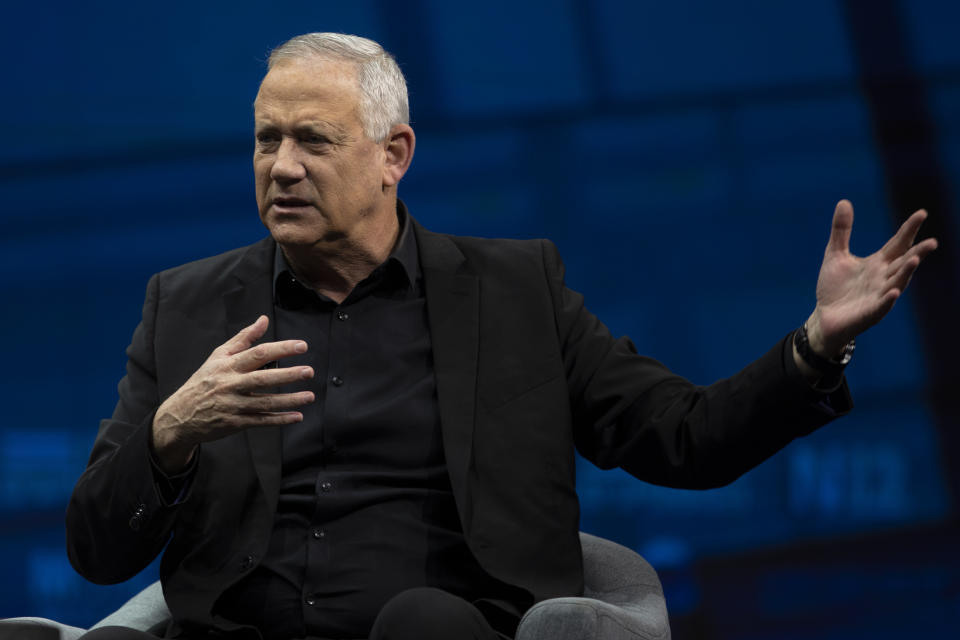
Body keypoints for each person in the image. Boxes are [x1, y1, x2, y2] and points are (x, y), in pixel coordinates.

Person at [66, 33, 937, 640]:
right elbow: (99, 552)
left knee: (423, 623)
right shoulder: (185, 306)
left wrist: (816, 344)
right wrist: (169, 436)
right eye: (265, 140)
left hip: (438, 627)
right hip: (236, 632)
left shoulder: (516, 292)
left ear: (393, 153)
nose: (281, 166)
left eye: (312, 141)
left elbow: (686, 439)